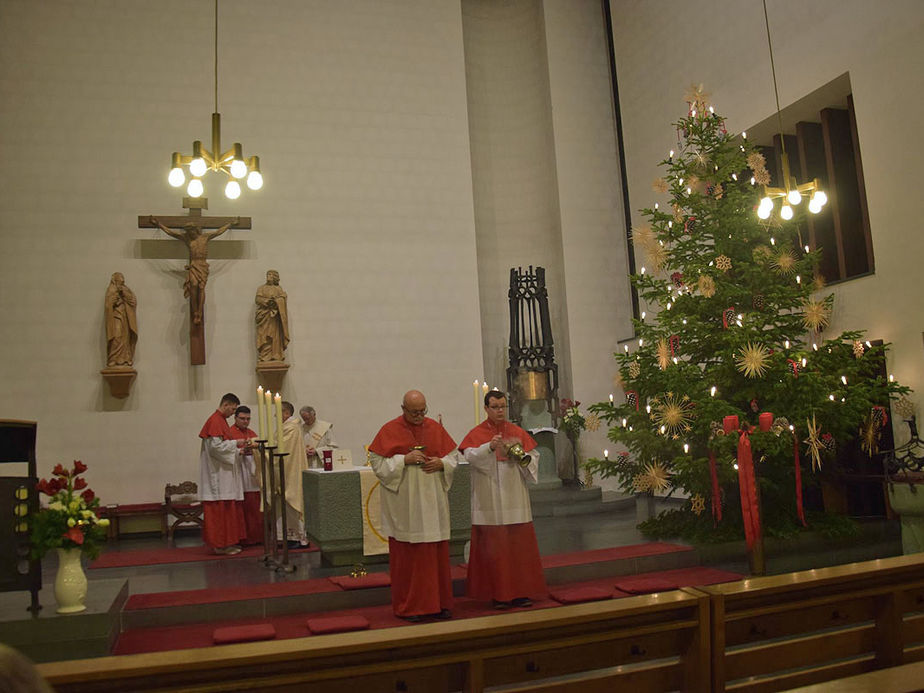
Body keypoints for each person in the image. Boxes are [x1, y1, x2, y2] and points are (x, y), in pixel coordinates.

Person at [368, 390, 460, 622]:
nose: (420, 416)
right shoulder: (389, 430)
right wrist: (402, 460)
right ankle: (411, 607)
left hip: (433, 502)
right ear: (403, 409)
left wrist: (441, 463)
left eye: (422, 411)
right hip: (405, 505)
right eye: (414, 412)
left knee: (435, 555)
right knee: (410, 557)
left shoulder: (434, 428)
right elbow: (377, 463)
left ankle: (439, 603)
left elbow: (453, 457)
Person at [458, 389, 548, 609]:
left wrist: (520, 455)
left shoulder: (515, 431)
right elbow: (469, 455)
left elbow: (533, 457)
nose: (500, 411)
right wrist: (488, 447)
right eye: (495, 407)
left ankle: (520, 592)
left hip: (514, 494)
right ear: (486, 409)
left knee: (517, 546)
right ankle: (499, 594)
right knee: (495, 548)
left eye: (502, 407)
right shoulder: (477, 433)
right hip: (489, 495)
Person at [149, 215, 238, 326]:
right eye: (188, 231)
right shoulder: (187, 239)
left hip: (202, 265)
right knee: (193, 285)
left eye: (191, 231)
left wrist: (230, 224)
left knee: (201, 287)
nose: (190, 233)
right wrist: (159, 224)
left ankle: (199, 312)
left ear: (195, 230)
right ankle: (195, 310)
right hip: (194, 264)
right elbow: (172, 233)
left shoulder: (205, 237)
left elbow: (218, 232)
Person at [198, 393, 247, 555]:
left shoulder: (221, 421)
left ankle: (226, 543)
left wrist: (238, 451)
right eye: (233, 409)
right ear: (226, 404)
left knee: (227, 510)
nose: (233, 413)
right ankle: (221, 544)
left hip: (223, 473)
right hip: (217, 476)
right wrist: (236, 443)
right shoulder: (215, 421)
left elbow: (222, 447)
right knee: (220, 512)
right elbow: (215, 448)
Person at [228, 405, 263, 546]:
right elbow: (225, 452)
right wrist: (241, 451)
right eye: (242, 418)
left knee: (254, 504)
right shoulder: (229, 433)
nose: (245, 421)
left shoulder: (252, 433)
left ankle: (257, 537)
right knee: (241, 507)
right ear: (235, 418)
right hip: (238, 471)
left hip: (251, 472)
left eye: (248, 419)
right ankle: (242, 538)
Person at [277, 400, 309, 546]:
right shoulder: (286, 427)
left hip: (291, 470)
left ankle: (295, 537)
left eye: (278, 412)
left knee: (291, 500)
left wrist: (260, 445)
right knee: (284, 503)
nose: (275, 416)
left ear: (286, 413)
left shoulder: (291, 428)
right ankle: (287, 536)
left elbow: (280, 448)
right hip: (287, 469)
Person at [255, 269, 290, 362]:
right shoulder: (261, 288)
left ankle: (276, 355)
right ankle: (264, 356)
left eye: (270, 275)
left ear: (275, 277)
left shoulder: (279, 289)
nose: (268, 276)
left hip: (275, 318)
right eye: (267, 274)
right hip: (264, 316)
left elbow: (283, 298)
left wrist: (278, 301)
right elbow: (258, 299)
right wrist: (267, 301)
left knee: (275, 336)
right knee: (265, 336)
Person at [104, 272, 138, 367]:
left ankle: (126, 359)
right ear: (114, 281)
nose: (121, 284)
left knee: (125, 338)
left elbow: (133, 301)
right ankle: (113, 358)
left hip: (125, 317)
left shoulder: (125, 289)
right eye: (119, 282)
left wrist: (125, 294)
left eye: (123, 282)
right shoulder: (110, 290)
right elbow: (107, 305)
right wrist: (111, 303)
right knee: (117, 337)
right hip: (115, 318)